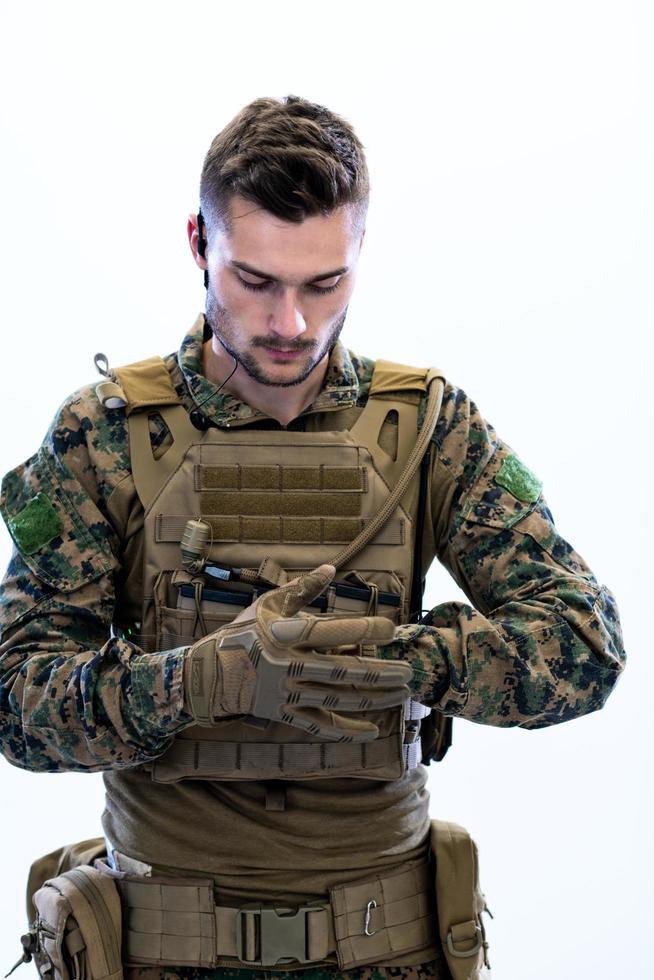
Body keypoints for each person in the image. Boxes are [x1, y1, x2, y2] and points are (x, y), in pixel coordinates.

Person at [0, 95, 625, 979]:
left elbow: (586, 643)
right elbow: (17, 701)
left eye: (323, 283)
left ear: (359, 256)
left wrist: (409, 665)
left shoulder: (431, 429)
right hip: (160, 952)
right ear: (197, 245)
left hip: (393, 948)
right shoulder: (100, 436)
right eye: (255, 281)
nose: (289, 323)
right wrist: (193, 684)